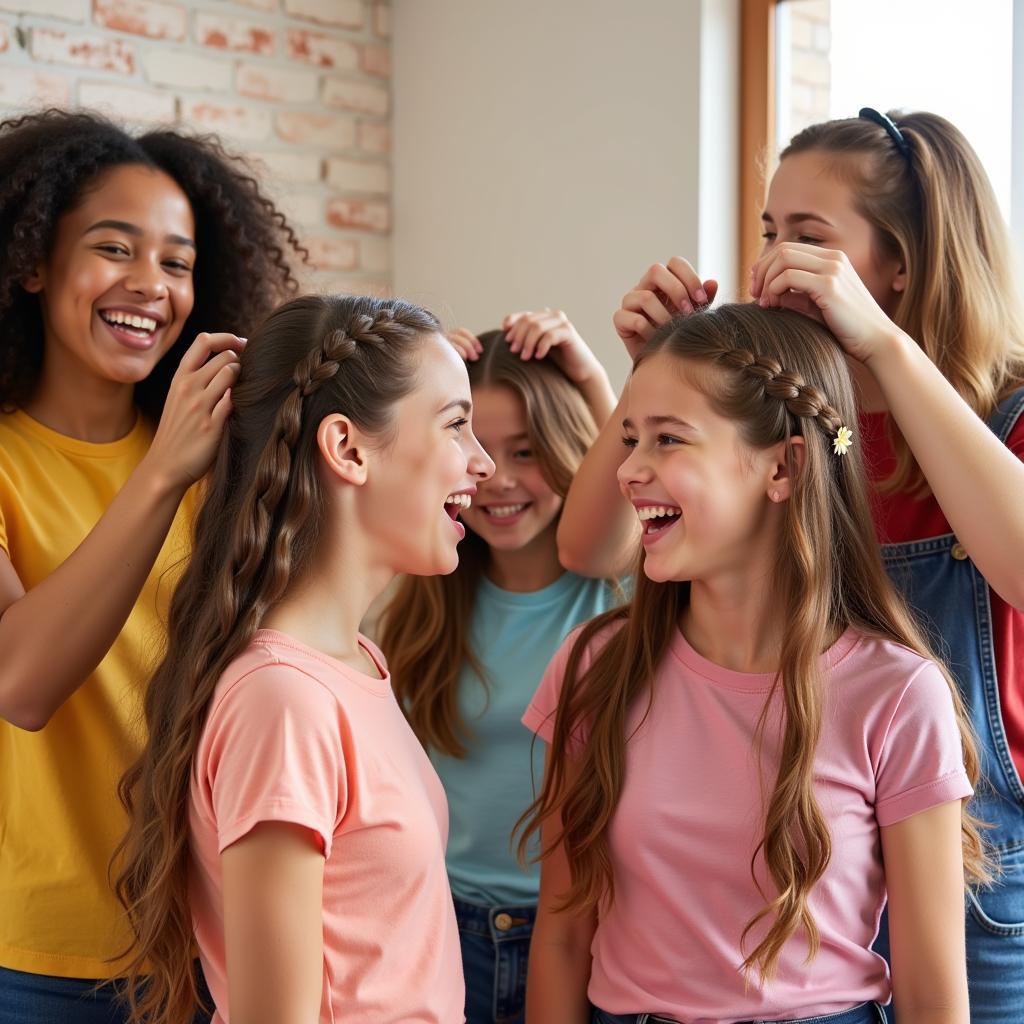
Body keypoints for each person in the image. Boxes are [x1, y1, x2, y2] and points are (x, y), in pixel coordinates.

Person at [560, 111, 1024, 1022]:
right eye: (769, 231)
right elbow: (592, 550)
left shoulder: (1003, 417)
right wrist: (661, 377)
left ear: (902, 263)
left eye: (810, 238)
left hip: (973, 876)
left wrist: (886, 348)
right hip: (806, 864)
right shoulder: (796, 426)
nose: (776, 259)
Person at [520, 303, 985, 1024]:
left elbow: (933, 1000)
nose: (630, 471)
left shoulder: (897, 695)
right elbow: (560, 939)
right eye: (630, 438)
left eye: (669, 440)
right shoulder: (594, 668)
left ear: (784, 467)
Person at [0, 108, 302, 1023]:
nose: (150, 284)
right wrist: (166, 471)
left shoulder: (218, 461)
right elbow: (21, 680)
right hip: (36, 956)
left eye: (176, 262)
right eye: (115, 248)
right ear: (32, 264)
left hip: (202, 941)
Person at [116, 294, 494, 1024]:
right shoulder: (283, 702)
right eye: (455, 424)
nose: (481, 463)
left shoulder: (353, 664)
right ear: (348, 448)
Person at [380, 308, 621, 1024]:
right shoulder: (427, 592)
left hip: (581, 934)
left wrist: (596, 379)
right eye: (477, 447)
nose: (498, 479)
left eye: (527, 451)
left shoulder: (626, 596)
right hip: (443, 928)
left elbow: (646, 487)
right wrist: (422, 389)